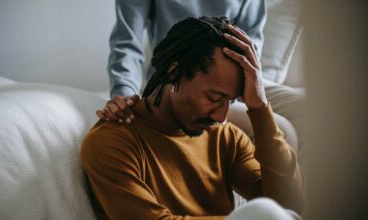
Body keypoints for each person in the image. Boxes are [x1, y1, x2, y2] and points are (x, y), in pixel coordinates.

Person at [82, 16, 305, 220]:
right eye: (214, 96)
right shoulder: (112, 142)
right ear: (174, 72)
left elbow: (290, 204)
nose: (221, 116)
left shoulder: (226, 137)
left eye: (232, 100)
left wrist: (259, 108)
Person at [99, 0, 304, 153]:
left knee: (304, 109)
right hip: (183, 79)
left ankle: (301, 209)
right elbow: (127, 42)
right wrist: (125, 94)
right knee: (283, 131)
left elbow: (252, 42)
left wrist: (253, 94)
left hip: (236, 78)